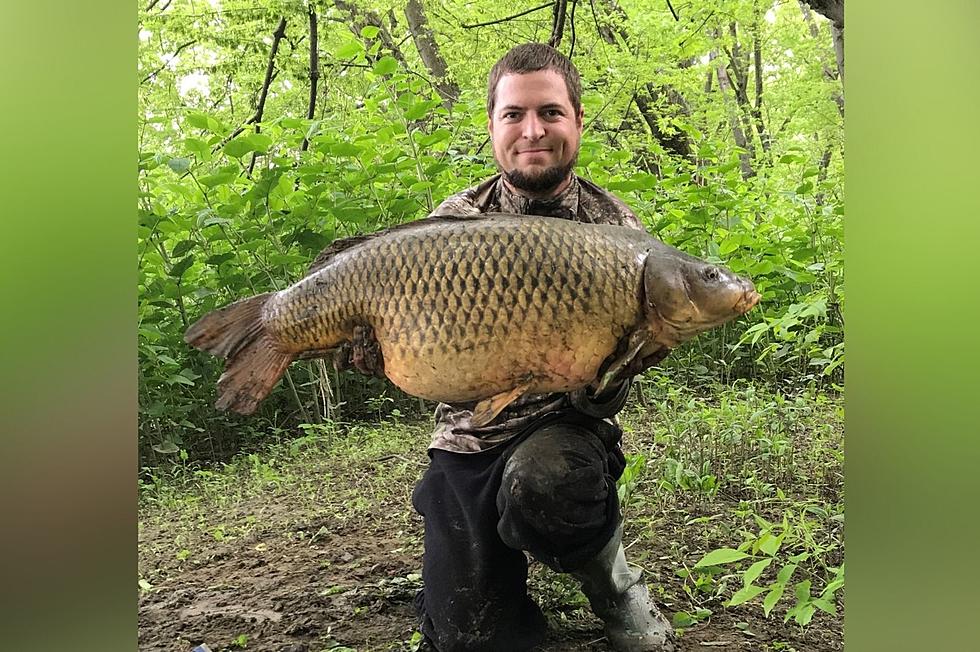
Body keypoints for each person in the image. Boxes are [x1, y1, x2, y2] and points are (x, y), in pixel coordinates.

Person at [343, 43, 675, 652]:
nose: (533, 131)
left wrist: (625, 359)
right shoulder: (454, 221)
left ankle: (613, 584)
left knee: (549, 483)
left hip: (563, 428)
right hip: (465, 439)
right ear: (493, 125)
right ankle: (481, 582)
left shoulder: (617, 233)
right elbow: (420, 356)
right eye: (514, 114)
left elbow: (608, 393)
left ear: (576, 119)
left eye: (550, 112)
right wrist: (373, 351)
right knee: (469, 638)